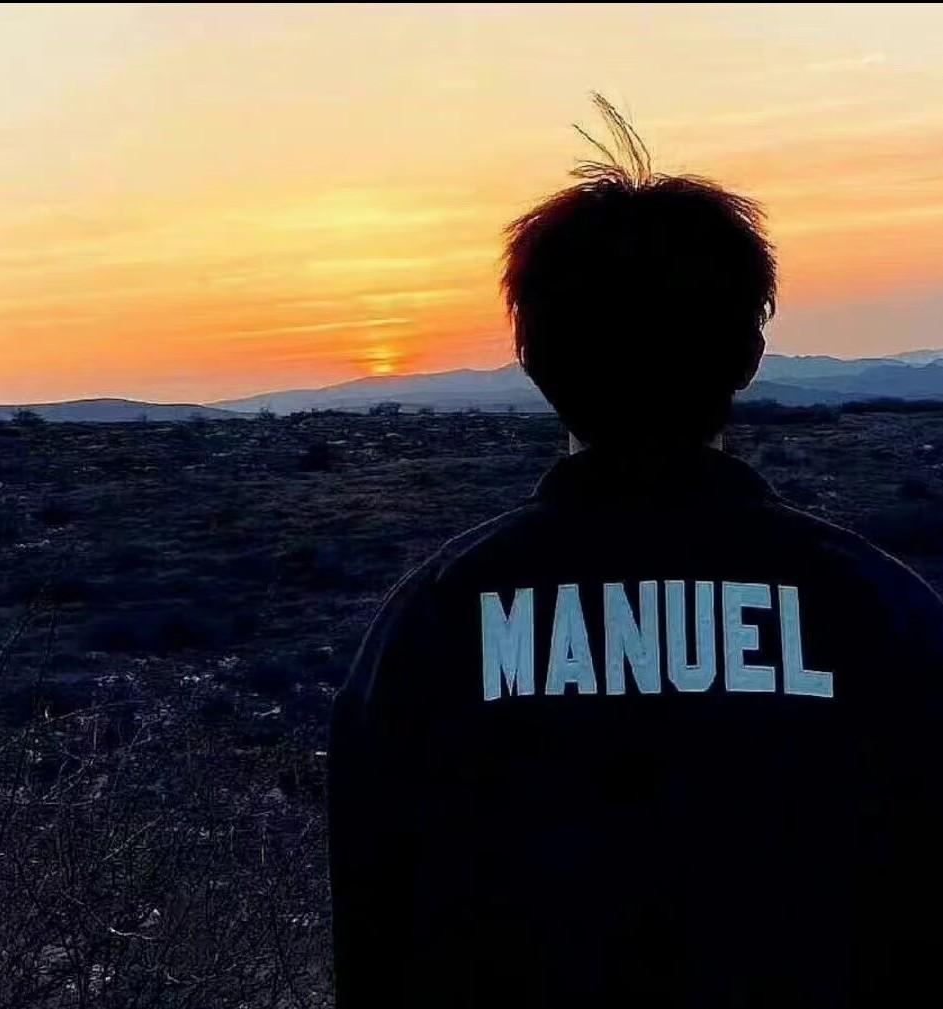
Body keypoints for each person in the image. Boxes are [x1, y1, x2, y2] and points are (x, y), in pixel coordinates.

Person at [328, 96, 943, 1008]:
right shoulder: (885, 619)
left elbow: (373, 943)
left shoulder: (427, 630)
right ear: (749, 355)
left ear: (533, 362)